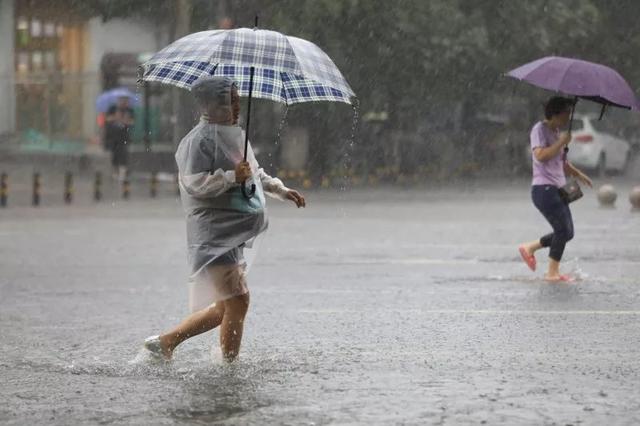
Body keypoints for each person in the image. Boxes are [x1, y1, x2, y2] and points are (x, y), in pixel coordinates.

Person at [143, 76, 306, 362]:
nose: (235, 105)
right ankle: (228, 367)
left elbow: (253, 172)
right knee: (239, 301)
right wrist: (232, 177)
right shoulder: (199, 140)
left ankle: (166, 343)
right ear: (209, 104)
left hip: (232, 235)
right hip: (213, 236)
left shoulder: (234, 134)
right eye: (228, 100)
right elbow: (195, 183)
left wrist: (280, 189)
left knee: (225, 306)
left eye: (236, 99)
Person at [518, 96, 592, 282]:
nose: (568, 117)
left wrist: (578, 174)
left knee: (568, 233)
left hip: (559, 188)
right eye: (566, 113)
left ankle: (530, 248)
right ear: (555, 113)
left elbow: (561, 162)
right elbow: (541, 156)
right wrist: (561, 142)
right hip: (544, 189)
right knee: (562, 230)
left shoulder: (557, 131)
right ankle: (552, 273)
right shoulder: (539, 129)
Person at [105, 96, 134, 181]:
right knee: (115, 154)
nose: (123, 102)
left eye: (125, 101)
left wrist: (124, 120)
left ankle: (123, 171)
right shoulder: (112, 108)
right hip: (114, 136)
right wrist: (115, 117)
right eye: (121, 100)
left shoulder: (129, 110)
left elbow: (132, 122)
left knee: (123, 153)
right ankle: (115, 171)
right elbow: (107, 119)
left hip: (124, 136)